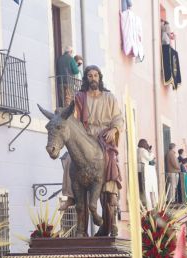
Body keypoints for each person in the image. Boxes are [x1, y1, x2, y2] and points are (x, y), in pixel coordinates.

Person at [60, 65, 124, 237]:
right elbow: (72, 117)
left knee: (110, 163)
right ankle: (71, 196)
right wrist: (68, 105)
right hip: (85, 136)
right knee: (68, 159)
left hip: (103, 137)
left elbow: (118, 117)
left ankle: (111, 193)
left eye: (95, 75)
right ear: (86, 78)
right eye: (90, 75)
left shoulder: (109, 97)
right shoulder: (80, 97)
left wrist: (114, 130)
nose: (93, 78)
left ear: (99, 77)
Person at [137, 139, 158, 210]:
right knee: (146, 188)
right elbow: (149, 158)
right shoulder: (143, 150)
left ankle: (141, 204)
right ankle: (148, 205)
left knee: (141, 188)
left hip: (138, 170)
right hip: (145, 170)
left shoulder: (137, 150)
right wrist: (151, 152)